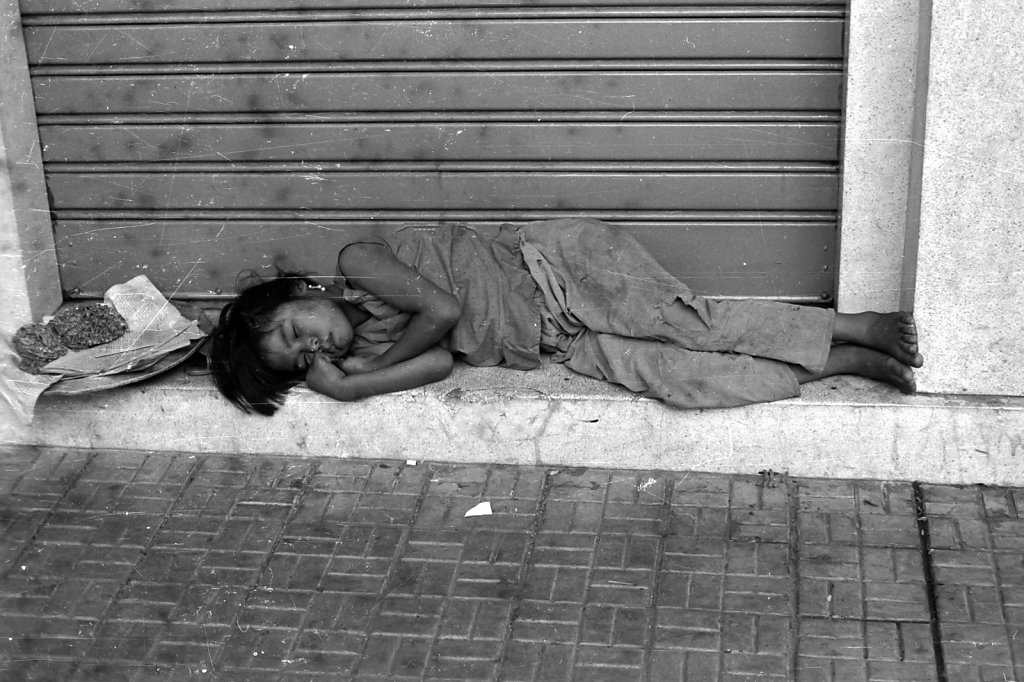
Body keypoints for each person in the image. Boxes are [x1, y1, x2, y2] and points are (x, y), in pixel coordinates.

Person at [209, 218, 923, 416]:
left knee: (687, 324)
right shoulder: (370, 350)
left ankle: (853, 324)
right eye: (303, 359)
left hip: (558, 268)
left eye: (298, 328)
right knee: (677, 379)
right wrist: (354, 383)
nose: (315, 345)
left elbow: (444, 309)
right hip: (561, 339)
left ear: (304, 288)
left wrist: (366, 372)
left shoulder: (360, 261)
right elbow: (440, 360)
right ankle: (837, 365)